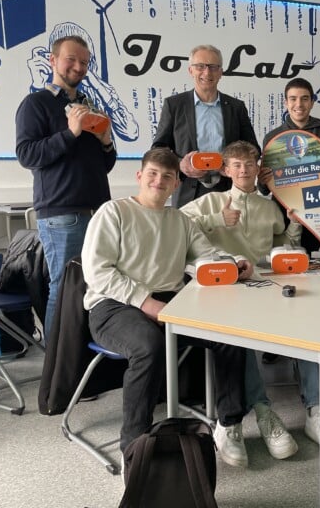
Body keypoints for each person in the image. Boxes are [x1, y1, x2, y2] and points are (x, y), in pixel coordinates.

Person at [81, 147, 253, 468]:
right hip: (113, 305)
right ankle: (136, 448)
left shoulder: (180, 220)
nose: (159, 182)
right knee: (149, 345)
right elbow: (98, 272)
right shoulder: (113, 212)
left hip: (168, 300)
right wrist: (147, 303)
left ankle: (229, 425)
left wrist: (232, 264)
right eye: (152, 174)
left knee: (229, 334)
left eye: (167, 177)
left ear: (176, 184)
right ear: (140, 177)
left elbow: (206, 255)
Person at [182, 140, 320, 457]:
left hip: (264, 283)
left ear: (258, 168)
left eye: (250, 164)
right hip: (224, 288)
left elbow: (282, 246)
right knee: (238, 335)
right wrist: (216, 220)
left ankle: (317, 411)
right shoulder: (209, 202)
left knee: (312, 323)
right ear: (226, 170)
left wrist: (294, 225)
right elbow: (172, 224)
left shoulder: (270, 207)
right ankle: (264, 410)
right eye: (237, 165)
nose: (244, 170)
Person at [16, 35, 116, 339]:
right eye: (71, 59)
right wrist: (71, 133)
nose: (78, 66)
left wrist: (106, 141)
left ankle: (81, 356)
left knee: (95, 283)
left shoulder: (88, 106)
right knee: (64, 283)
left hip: (98, 210)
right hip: (62, 213)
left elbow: (105, 165)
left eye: (84, 62)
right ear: (53, 60)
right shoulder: (36, 104)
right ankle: (56, 364)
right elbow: (27, 155)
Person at [152, 44, 259, 208]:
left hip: (229, 190)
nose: (207, 72)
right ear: (190, 71)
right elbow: (158, 150)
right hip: (187, 191)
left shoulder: (236, 107)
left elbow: (253, 149)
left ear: (221, 72)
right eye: (200, 66)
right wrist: (180, 164)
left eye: (213, 67)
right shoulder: (174, 105)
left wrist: (233, 164)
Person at [259, 77, 320, 256]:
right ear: (286, 102)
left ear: (312, 102)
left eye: (304, 98)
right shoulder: (273, 137)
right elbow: (263, 189)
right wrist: (262, 181)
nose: (298, 104)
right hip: (285, 212)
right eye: (293, 99)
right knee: (289, 264)